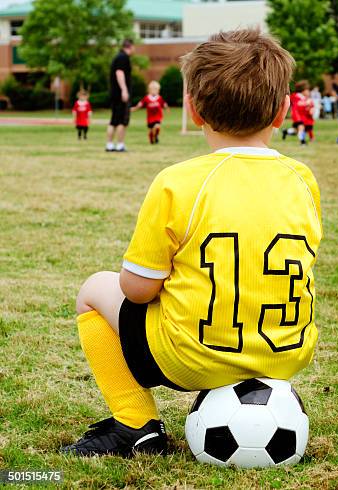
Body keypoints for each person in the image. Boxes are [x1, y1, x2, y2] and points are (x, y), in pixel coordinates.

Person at [61, 28, 323, 458]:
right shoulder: (302, 179)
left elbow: (137, 290)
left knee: (94, 289)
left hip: (192, 357)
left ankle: (134, 424)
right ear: (283, 112)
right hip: (285, 354)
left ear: (194, 110)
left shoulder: (178, 182)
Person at [106, 39, 134, 152]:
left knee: (114, 120)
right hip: (120, 95)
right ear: (130, 46)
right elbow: (119, 73)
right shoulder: (123, 57)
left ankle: (109, 144)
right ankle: (120, 144)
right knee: (122, 120)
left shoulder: (118, 57)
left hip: (115, 94)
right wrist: (124, 90)